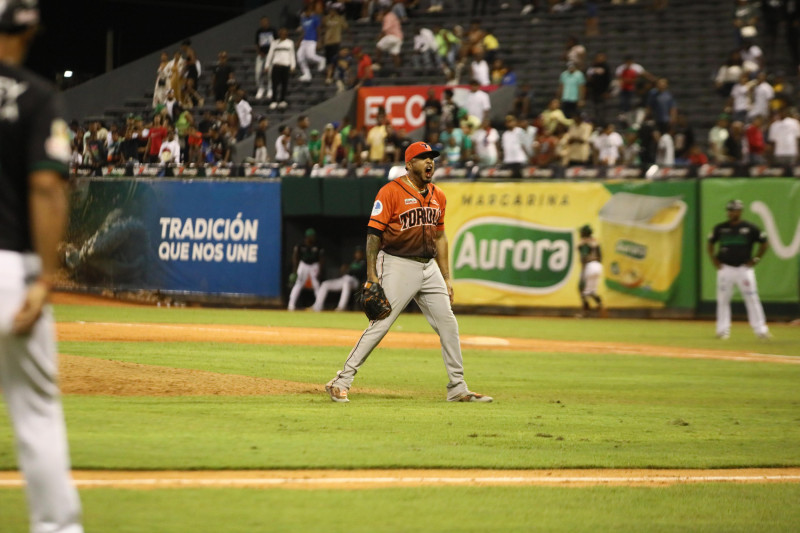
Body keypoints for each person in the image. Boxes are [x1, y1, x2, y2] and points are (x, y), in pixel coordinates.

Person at [0, 2, 84, 531]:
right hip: (10, 267)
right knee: (35, 415)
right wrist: (45, 278)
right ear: (31, 32)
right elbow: (47, 185)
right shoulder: (36, 96)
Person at [324, 142, 493, 403]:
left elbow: (440, 238)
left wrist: (447, 277)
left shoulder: (439, 195)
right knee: (381, 323)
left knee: (448, 323)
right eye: (423, 158)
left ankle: (458, 388)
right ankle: (341, 380)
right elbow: (373, 236)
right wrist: (372, 275)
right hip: (397, 262)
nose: (430, 162)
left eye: (432, 158)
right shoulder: (390, 192)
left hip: (429, 267)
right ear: (409, 164)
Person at [707, 199, 770, 340]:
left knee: (752, 298)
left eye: (734, 210)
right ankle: (723, 330)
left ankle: (761, 329)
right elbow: (710, 243)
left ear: (740, 211)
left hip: (743, 268)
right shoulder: (721, 228)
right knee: (723, 299)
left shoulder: (750, 228)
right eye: (730, 210)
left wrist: (756, 259)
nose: (731, 213)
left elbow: (764, 243)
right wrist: (714, 260)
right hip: (726, 268)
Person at [312, 246, 367, 311]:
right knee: (325, 284)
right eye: (357, 253)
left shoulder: (364, 262)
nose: (358, 254)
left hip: (355, 281)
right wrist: (345, 269)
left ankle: (341, 307)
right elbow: (344, 272)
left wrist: (348, 269)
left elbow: (359, 272)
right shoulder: (353, 262)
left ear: (362, 254)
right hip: (345, 278)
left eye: (359, 253)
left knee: (346, 283)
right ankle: (317, 306)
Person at [288, 228, 324, 311]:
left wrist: (320, 271)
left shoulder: (318, 244)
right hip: (303, 264)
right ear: (308, 237)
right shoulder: (300, 244)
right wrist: (294, 270)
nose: (314, 237)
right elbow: (295, 256)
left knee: (316, 284)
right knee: (298, 284)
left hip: (314, 265)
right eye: (312, 236)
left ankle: (319, 306)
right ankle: (291, 305)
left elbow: (321, 259)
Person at [265, 27, 296, 110]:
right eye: (281, 33)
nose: (283, 34)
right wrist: (267, 65)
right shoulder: (274, 43)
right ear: (279, 34)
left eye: (285, 33)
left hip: (286, 66)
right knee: (275, 84)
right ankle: (274, 101)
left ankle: (282, 100)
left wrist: (293, 66)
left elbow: (292, 55)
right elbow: (270, 54)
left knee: (284, 84)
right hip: (276, 66)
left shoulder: (290, 43)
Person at [577, 225, 604, 318]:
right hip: (598, 266)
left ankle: (585, 312)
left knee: (581, 289)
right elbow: (601, 256)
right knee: (591, 291)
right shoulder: (595, 242)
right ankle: (601, 306)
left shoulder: (584, 243)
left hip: (589, 266)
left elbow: (584, 257)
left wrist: (584, 271)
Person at [297, 4, 326, 82]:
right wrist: (299, 40)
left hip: (312, 40)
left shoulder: (315, 18)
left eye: (310, 11)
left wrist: (319, 40)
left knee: (310, 56)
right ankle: (307, 74)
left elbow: (319, 29)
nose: (309, 13)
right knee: (299, 56)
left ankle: (321, 60)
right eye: (307, 12)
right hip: (304, 40)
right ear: (305, 12)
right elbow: (303, 31)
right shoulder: (303, 18)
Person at [254, 16, 276, 100]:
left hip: (270, 55)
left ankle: (270, 89)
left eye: (265, 21)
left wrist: (273, 54)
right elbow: (256, 43)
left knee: (270, 73)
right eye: (262, 21)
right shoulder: (259, 31)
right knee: (258, 72)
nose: (264, 23)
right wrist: (259, 52)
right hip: (261, 54)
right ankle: (261, 88)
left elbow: (276, 42)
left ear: (268, 22)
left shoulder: (273, 30)